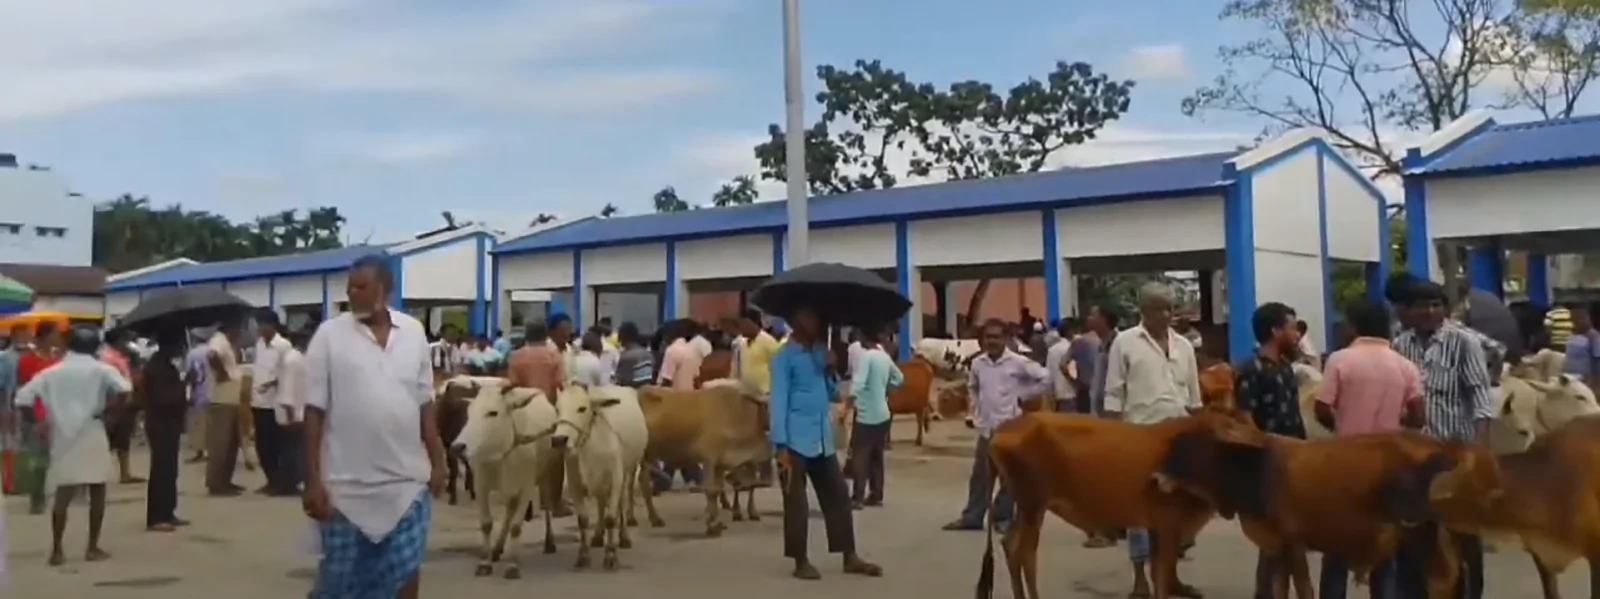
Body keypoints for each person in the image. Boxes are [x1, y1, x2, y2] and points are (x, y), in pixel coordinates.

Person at [302, 255, 446, 599]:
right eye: (350, 286)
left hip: (406, 485)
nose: (352, 293)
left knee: (405, 574)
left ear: (386, 289)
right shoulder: (328, 336)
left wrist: (438, 461)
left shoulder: (413, 332)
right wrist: (312, 480)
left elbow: (424, 403)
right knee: (340, 586)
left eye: (361, 286)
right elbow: (314, 412)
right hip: (346, 490)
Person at [1390, 280, 1493, 599]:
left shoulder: (1464, 342)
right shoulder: (1399, 344)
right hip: (1413, 456)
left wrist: (1478, 451)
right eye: (1422, 305)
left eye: (1436, 304)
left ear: (1445, 309)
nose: (1429, 311)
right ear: (1409, 310)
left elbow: (1480, 396)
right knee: (1413, 533)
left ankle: (1470, 593)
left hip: (1454, 455)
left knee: (1462, 534)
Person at [1314, 299, 1424, 599]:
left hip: (1347, 462)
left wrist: (1342, 424)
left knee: (1336, 544)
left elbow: (1322, 407)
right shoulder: (1405, 365)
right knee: (1384, 545)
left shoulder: (1340, 360)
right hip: (1390, 466)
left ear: (1354, 325)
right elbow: (1418, 417)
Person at [1102, 283, 1202, 598]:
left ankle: (1169, 577)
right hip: (1139, 437)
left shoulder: (1184, 345)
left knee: (1175, 513)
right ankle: (1140, 580)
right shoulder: (1125, 342)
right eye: (1160, 308)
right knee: (1138, 513)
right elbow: (1114, 393)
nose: (1168, 314)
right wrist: (1114, 437)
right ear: (1143, 311)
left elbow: (1194, 395)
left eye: (1170, 308)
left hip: (1179, 439)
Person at [770, 305, 882, 580]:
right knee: (796, 503)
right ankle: (800, 560)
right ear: (795, 320)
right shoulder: (783, 357)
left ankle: (849, 555)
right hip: (794, 440)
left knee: (839, 497)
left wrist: (832, 368)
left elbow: (832, 393)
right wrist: (780, 445)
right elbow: (778, 401)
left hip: (822, 438)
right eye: (808, 316)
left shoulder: (821, 351)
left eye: (817, 317)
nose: (814, 321)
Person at [14, 325, 132, 565]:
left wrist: (37, 423)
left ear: (69, 345)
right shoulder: (102, 369)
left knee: (63, 494)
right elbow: (125, 390)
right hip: (93, 429)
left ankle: (57, 550)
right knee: (97, 490)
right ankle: (92, 547)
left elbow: (23, 398)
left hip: (62, 434)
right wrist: (112, 413)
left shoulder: (52, 372)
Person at [943, 318, 1051, 534]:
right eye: (988, 337)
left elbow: (1046, 378)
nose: (992, 341)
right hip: (986, 428)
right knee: (980, 476)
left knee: (1009, 478)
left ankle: (1002, 518)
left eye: (996, 336)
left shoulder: (1017, 363)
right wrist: (975, 409)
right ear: (982, 339)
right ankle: (972, 517)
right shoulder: (978, 364)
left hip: (1010, 429)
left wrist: (1023, 396)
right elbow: (973, 388)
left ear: (1005, 339)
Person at [1233, 302, 1309, 598]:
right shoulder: (1251, 369)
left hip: (1295, 459)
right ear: (1276, 330)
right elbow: (1244, 416)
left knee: (1286, 536)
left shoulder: (1286, 366)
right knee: (1276, 536)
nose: (1296, 334)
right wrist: (1261, 452)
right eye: (1291, 327)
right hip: (1269, 463)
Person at [847, 325, 902, 509]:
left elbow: (858, 383)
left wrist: (846, 405)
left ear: (864, 337)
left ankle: (857, 497)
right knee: (877, 456)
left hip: (866, 415)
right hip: (883, 413)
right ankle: (876, 494)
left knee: (860, 456)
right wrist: (888, 388)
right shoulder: (884, 356)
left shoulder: (867, 357)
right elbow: (899, 377)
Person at [142, 329, 192, 532]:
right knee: (162, 470)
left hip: (168, 424)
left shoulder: (164, 364)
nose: (181, 349)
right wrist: (185, 384)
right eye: (179, 345)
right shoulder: (157, 368)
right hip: (160, 423)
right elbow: (165, 399)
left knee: (170, 470)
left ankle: (168, 511)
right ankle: (157, 516)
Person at [18, 322, 64, 514]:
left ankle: (47, 495)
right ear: (45, 337)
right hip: (36, 414)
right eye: (55, 334)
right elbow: (23, 388)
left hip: (55, 413)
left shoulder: (56, 360)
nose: (58, 338)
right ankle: (36, 499)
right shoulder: (28, 361)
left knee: (53, 457)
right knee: (37, 458)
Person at [204, 320, 246, 497]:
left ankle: (226, 480)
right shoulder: (218, 340)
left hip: (231, 398)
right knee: (220, 443)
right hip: (222, 399)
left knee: (232, 442)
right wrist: (222, 373)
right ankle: (215, 482)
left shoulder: (229, 343)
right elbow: (212, 356)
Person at [252, 311, 292, 495]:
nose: (260, 328)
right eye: (258, 325)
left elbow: (288, 372)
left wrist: (272, 383)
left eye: (263, 324)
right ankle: (270, 480)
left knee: (275, 444)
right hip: (258, 401)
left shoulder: (283, 346)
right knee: (262, 445)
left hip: (274, 402)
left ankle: (281, 482)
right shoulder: (259, 345)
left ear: (273, 325)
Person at [275, 331, 309, 496]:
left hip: (298, 410)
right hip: (292, 413)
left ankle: (292, 481)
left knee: (296, 450)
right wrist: (290, 414)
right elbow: (288, 387)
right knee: (291, 451)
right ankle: (288, 484)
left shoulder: (299, 358)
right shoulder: (293, 360)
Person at [507, 322, 564, 400]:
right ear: (545, 336)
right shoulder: (554, 355)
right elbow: (559, 383)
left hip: (523, 406)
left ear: (526, 335)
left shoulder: (516, 356)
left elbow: (514, 384)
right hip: (549, 405)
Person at [737, 309, 782, 397]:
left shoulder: (768, 342)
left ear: (754, 323)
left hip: (765, 395)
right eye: (739, 325)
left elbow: (780, 368)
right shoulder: (743, 344)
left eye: (743, 325)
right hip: (747, 394)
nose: (740, 328)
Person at [184, 330, 211, 464]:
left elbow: (191, 374)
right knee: (212, 424)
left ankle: (200, 452)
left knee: (199, 424)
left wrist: (189, 392)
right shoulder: (213, 350)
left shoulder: (192, 353)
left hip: (200, 392)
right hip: (214, 392)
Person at [1563, 303, 1600, 389]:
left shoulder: (1593, 337)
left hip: (1586, 385)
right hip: (1569, 382)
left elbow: (1598, 362)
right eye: (1573, 320)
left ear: (1588, 319)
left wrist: (1597, 386)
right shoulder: (1572, 335)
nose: (1576, 323)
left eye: (1580, 319)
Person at [657, 322, 702, 391]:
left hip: (674, 397)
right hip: (690, 396)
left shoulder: (671, 351)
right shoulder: (692, 350)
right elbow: (696, 379)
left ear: (668, 335)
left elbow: (667, 380)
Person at [1044, 321, 1077, 413]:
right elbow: (1074, 373)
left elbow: (1048, 376)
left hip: (1058, 398)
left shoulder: (1052, 350)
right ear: (1071, 331)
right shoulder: (1072, 348)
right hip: (1073, 396)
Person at [612, 323, 655, 388]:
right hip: (646, 394)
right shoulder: (648, 354)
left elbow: (621, 382)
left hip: (632, 395)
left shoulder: (627, 357)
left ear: (622, 337)